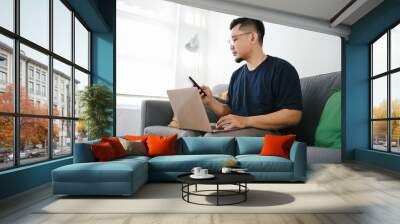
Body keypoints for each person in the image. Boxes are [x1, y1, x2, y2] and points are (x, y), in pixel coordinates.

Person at [200, 17, 303, 137]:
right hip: (242, 130)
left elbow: (293, 116)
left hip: (271, 135)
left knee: (210, 137)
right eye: (230, 42)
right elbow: (230, 111)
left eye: (235, 39)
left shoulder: (282, 69)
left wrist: (245, 121)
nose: (231, 46)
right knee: (195, 131)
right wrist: (210, 101)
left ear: (252, 37)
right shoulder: (236, 75)